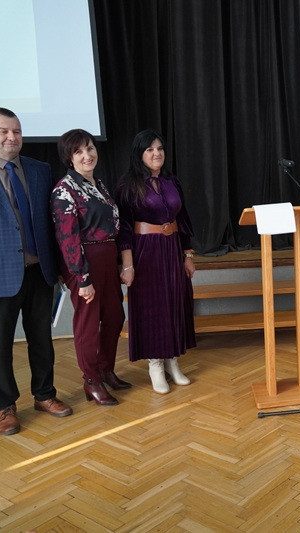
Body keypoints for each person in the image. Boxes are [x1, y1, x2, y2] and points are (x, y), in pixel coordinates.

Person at [0, 107, 72, 435]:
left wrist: (60, 269)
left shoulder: (40, 170)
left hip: (39, 273)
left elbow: (53, 224)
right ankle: (5, 406)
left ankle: (44, 395)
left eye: (16, 131)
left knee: (42, 340)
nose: (11, 137)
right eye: (3, 131)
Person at [51, 129, 130, 406]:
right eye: (79, 151)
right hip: (84, 262)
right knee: (87, 324)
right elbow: (67, 238)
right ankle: (91, 380)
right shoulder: (64, 190)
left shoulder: (99, 184)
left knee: (115, 317)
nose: (87, 155)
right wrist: (82, 277)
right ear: (69, 158)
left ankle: (106, 370)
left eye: (90, 148)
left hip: (107, 258)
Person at [115, 130, 196, 394]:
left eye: (159, 148)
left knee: (174, 303)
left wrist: (188, 255)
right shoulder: (128, 185)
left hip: (172, 249)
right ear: (139, 154)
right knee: (152, 307)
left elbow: (182, 220)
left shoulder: (172, 181)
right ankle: (155, 365)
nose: (156, 153)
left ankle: (172, 360)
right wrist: (128, 265)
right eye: (149, 149)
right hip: (145, 251)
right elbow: (123, 228)